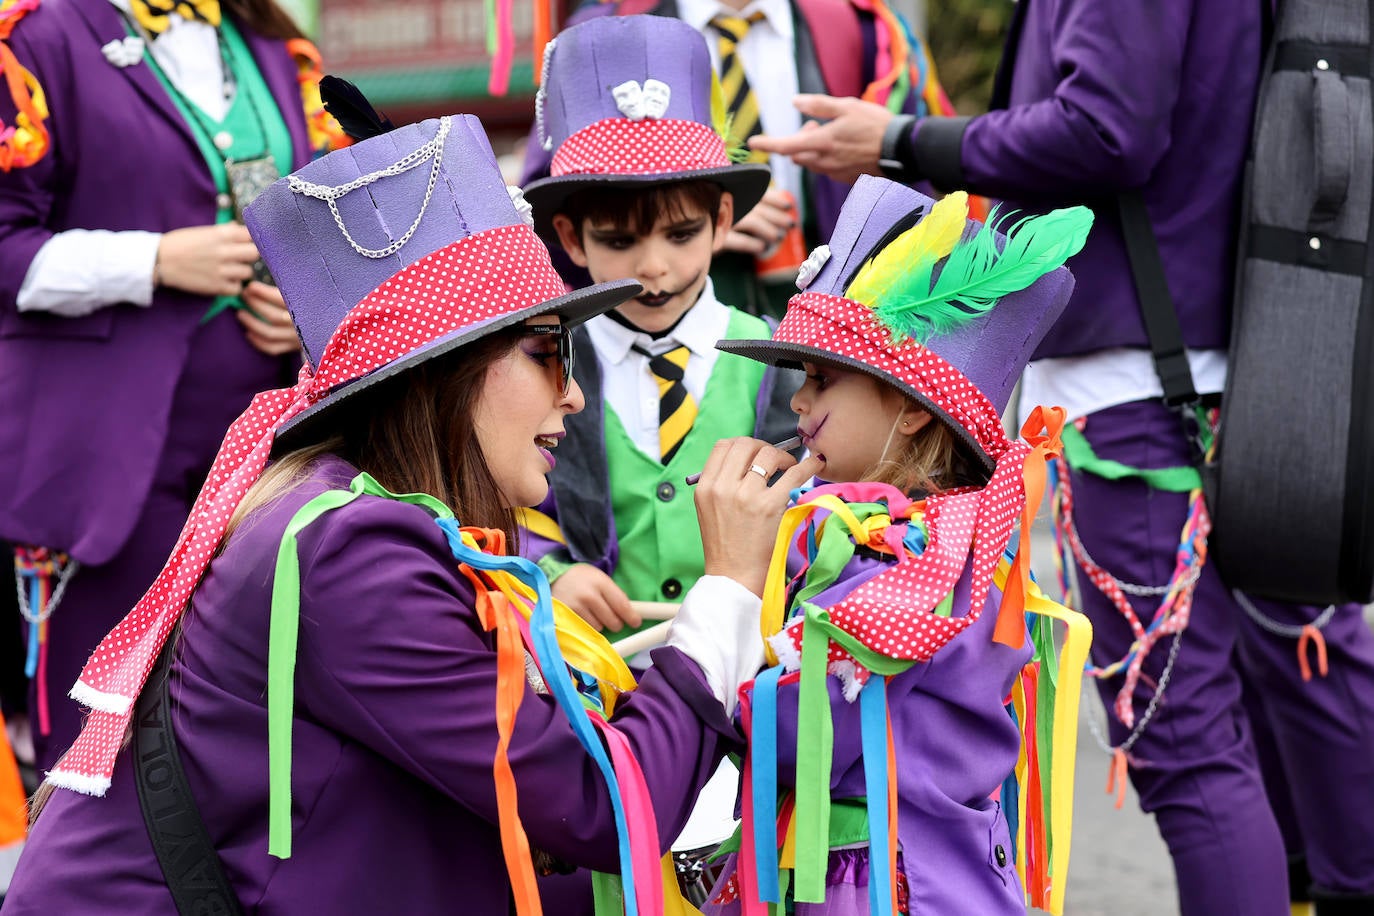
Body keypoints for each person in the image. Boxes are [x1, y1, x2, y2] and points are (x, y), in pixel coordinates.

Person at [1, 113, 824, 914]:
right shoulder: (354, 551)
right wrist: (728, 587)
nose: (572, 394)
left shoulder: (346, 514)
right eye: (548, 350)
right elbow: (602, 806)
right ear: (445, 372)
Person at [747, 3, 1374, 913]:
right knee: (1305, 680)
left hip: (1140, 398)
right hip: (1246, 375)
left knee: (1190, 743)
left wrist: (904, 138)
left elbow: (1108, 127)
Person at [689, 177, 1094, 914]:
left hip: (877, 884)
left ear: (909, 410)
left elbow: (803, 728)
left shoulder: (904, 559)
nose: (797, 401)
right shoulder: (959, 535)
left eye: (820, 379)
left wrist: (703, 661)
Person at [0, 0, 346, 772]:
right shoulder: (40, 39)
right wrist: (151, 260)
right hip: (105, 462)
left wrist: (305, 310)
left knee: (254, 725)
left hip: (270, 450)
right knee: (106, 738)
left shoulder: (269, 42)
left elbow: (319, 223)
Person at [520, 15, 800, 640]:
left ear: (721, 220)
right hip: (595, 674)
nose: (653, 267)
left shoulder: (785, 365)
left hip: (749, 674)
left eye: (681, 235)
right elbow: (495, 502)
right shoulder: (537, 367)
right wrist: (549, 573)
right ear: (572, 237)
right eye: (619, 241)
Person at [521, 0, 957, 318]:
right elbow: (549, 206)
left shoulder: (864, 29)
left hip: (835, 320)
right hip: (661, 324)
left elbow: (917, 201)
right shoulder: (605, 37)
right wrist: (688, 223)